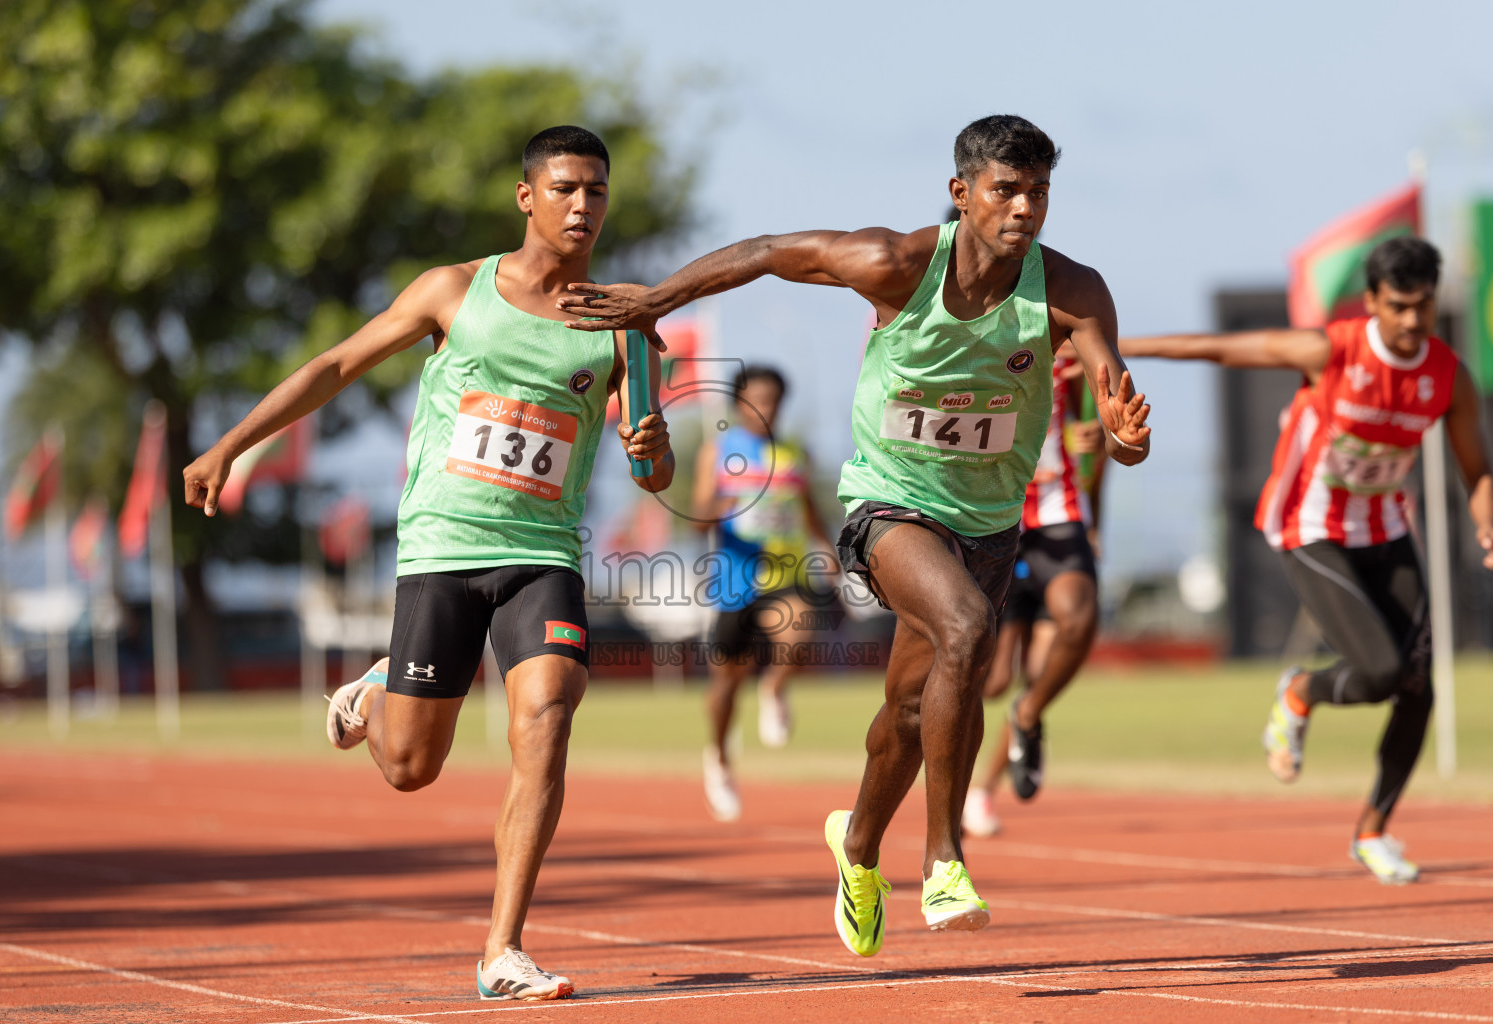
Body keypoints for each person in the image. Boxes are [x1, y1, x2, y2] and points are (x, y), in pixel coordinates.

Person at [554, 114, 1151, 955]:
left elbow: (1118, 416)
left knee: (913, 708)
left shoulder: (1072, 291)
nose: (1024, 208)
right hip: (891, 503)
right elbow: (765, 250)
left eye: (1039, 192)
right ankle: (945, 858)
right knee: (968, 631)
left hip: (988, 521)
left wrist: (1128, 437)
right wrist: (656, 298)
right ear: (961, 194)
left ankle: (858, 846)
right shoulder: (897, 264)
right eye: (1005, 190)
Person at [182, 126, 674, 999]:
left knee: (549, 713)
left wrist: (653, 441)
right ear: (527, 196)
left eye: (596, 192)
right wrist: (231, 446)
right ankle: (377, 696)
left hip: (543, 553)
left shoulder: (623, 321)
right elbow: (336, 364)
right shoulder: (454, 291)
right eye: (565, 188)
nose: (582, 206)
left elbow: (652, 468)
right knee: (411, 767)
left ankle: (502, 951)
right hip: (444, 548)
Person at [1119, 236, 1493, 885]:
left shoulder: (1448, 374)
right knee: (1379, 671)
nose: (1412, 322)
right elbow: (1218, 349)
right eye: (1399, 306)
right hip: (1309, 524)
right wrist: (1113, 349)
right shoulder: (1332, 351)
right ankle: (1300, 689)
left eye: (1424, 307)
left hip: (1383, 527)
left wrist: (1488, 522)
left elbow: (1477, 472)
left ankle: (1374, 829)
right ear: (1373, 302)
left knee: (1420, 686)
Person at [963, 348, 1106, 837]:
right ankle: (959, 780)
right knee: (996, 678)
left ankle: (989, 781)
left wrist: (1096, 519)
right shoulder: (972, 355)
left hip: (1059, 516)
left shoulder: (1071, 361)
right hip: (997, 523)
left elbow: (1095, 439)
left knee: (1073, 624)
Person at [693, 364, 837, 821]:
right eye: (758, 400)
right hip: (735, 577)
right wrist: (725, 499)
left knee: (799, 634)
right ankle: (718, 758)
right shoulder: (719, 449)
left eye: (774, 400)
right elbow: (697, 516)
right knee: (727, 682)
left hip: (786, 569)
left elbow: (809, 505)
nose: (767, 409)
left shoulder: (795, 453)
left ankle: (774, 687)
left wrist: (825, 547)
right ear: (739, 404)